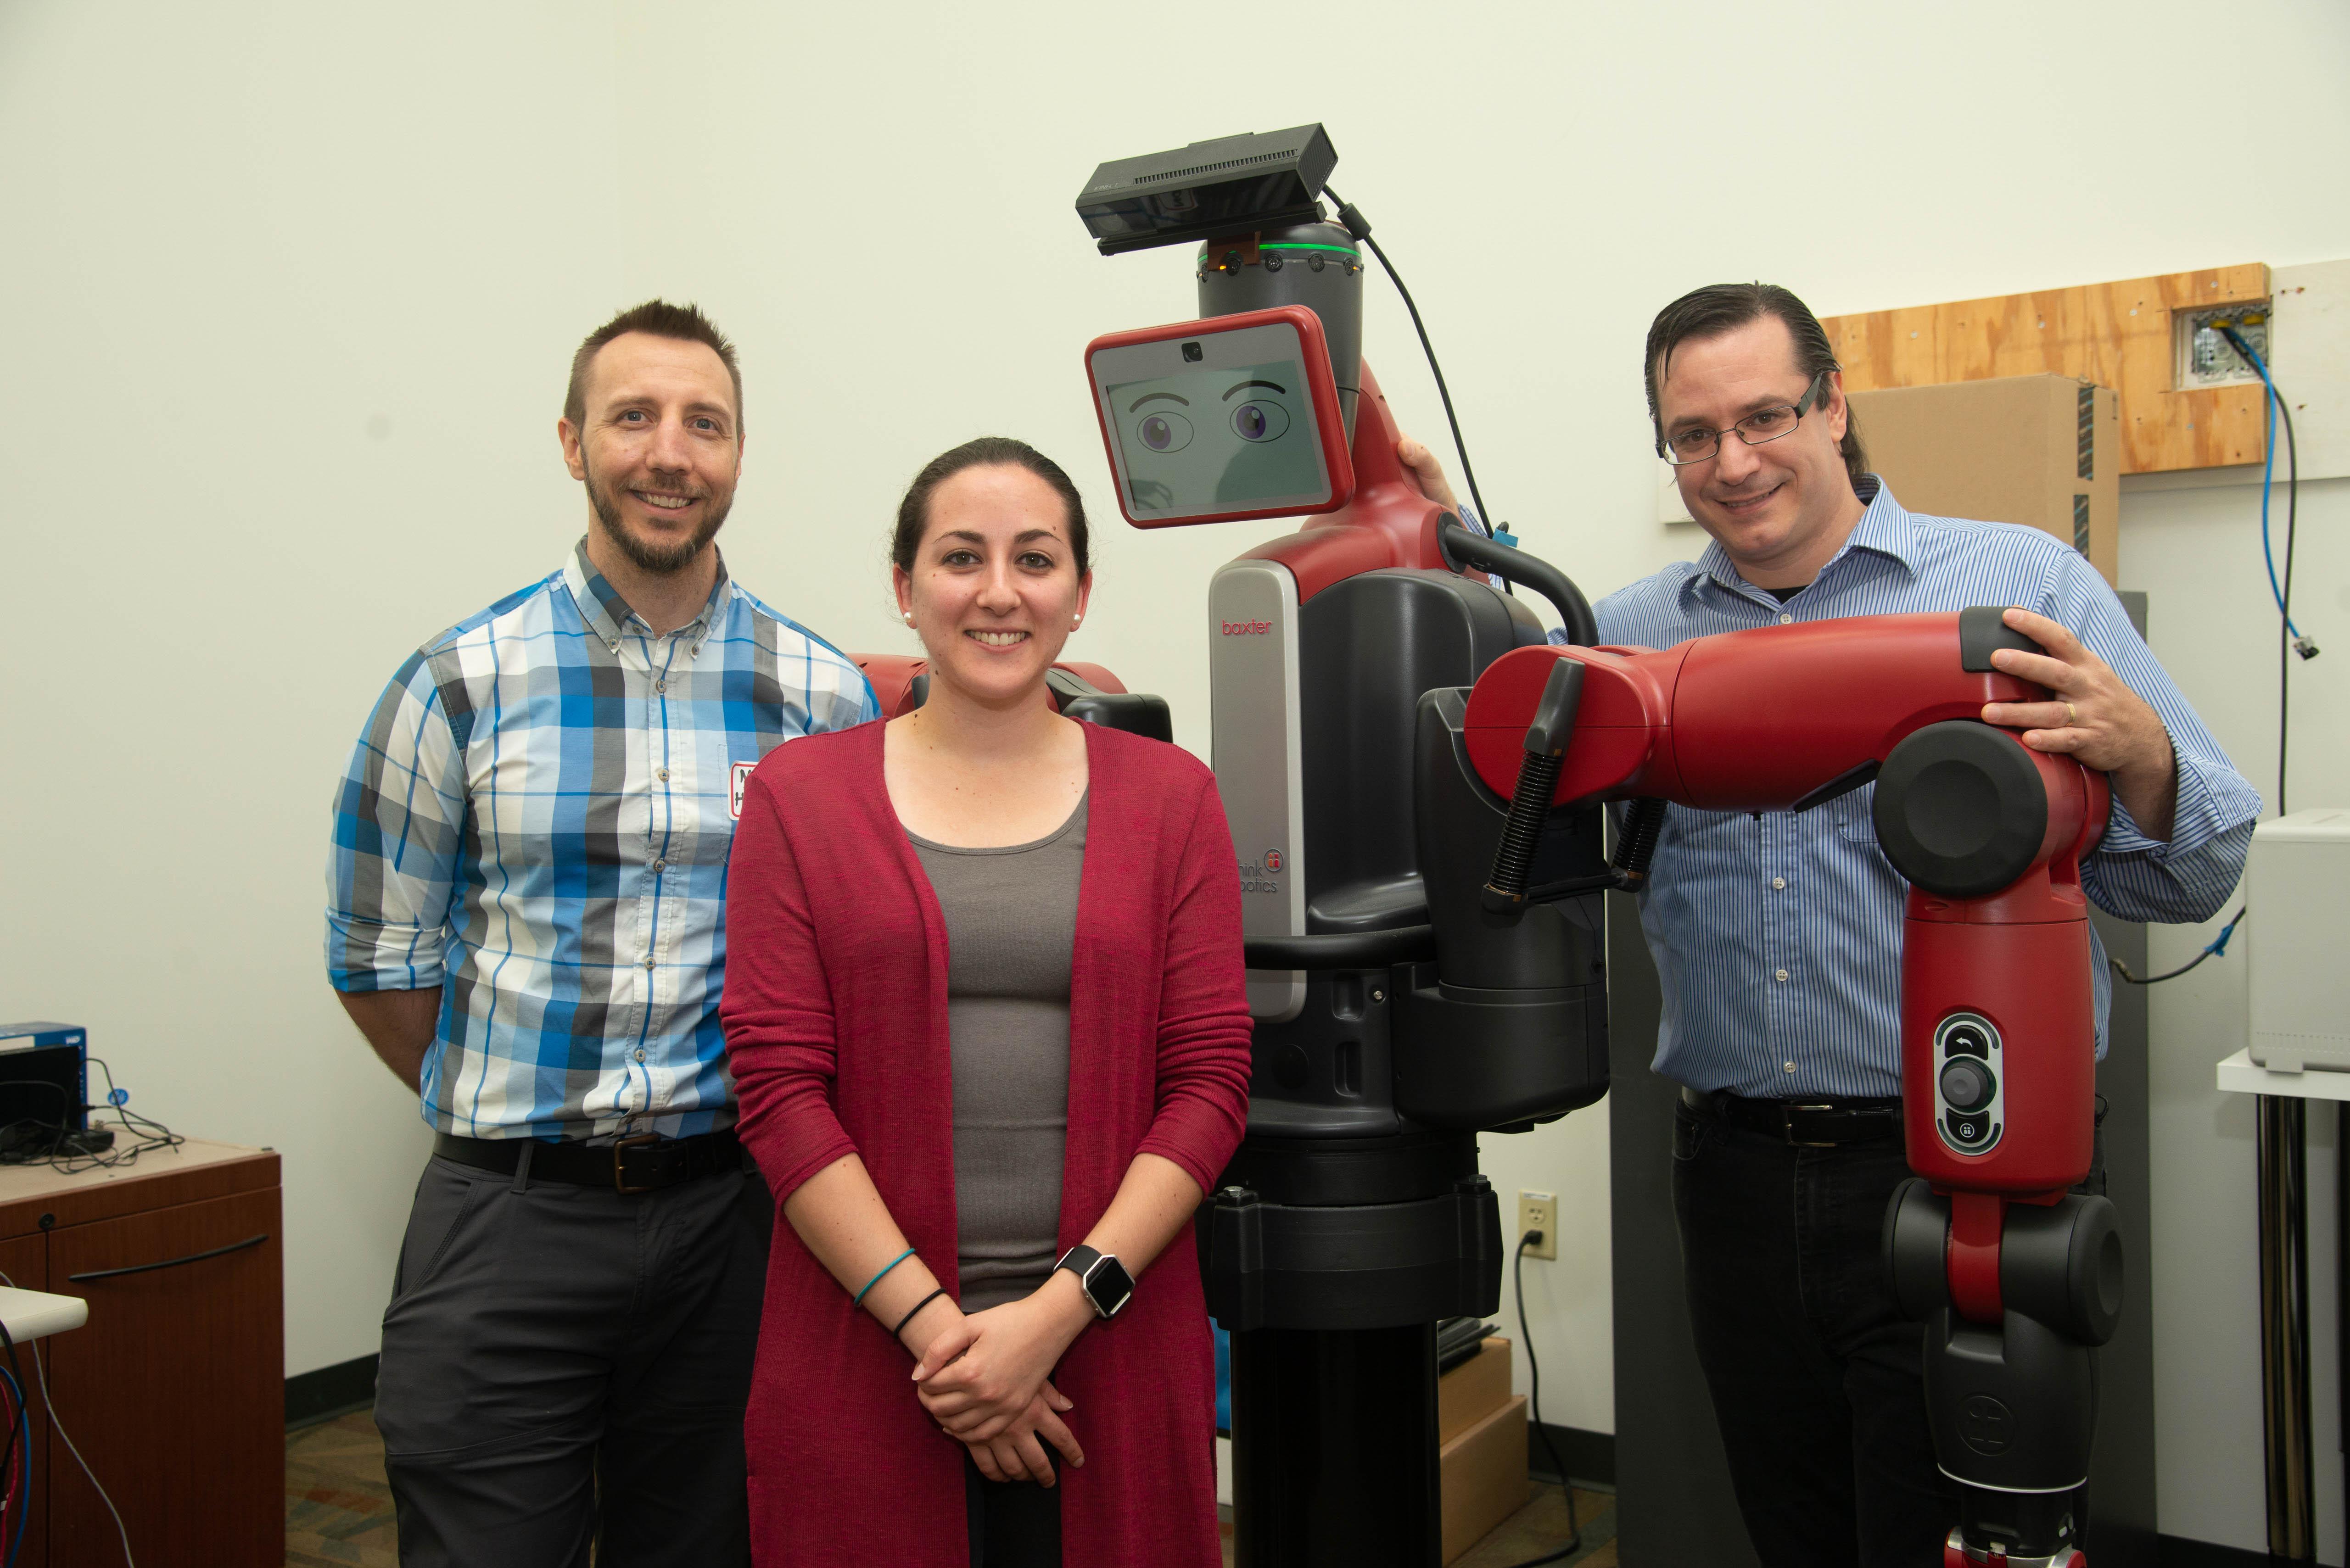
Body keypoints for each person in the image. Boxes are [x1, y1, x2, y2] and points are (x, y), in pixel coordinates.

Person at [1402, 282, 2260, 1566]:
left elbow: (2197, 871)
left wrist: (2142, 758)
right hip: (1734, 1176)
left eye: (1765, 415)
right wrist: (1447, 545)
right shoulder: (1633, 637)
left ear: (1835, 404)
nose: (1735, 461)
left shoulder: (2022, 587)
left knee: (1957, 1540)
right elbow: (1523, 747)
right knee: (1790, 1527)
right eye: (1694, 435)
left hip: (1958, 1173)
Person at [325, 299, 878, 1566]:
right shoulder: (457, 682)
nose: (669, 452)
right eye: (634, 417)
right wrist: (522, 1106)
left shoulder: (826, 696)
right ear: (573, 443)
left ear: (739, 456)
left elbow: (847, 962)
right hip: (510, 1219)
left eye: (705, 424)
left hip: (734, 1224)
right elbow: (379, 961)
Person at [720, 436, 1253, 1567]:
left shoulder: (1173, 797)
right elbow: (776, 1090)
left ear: (1080, 595)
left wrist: (1057, 1313)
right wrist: (946, 1340)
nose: (1000, 591)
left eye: (1036, 558)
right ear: (906, 589)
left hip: (1109, 1336)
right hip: (869, 1344)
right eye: (961, 557)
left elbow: (1208, 1084)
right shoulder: (799, 795)